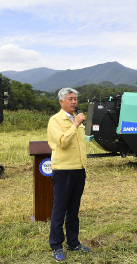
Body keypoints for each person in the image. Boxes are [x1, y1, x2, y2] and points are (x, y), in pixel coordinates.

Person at [47, 87, 90, 262]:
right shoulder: (55, 120)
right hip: (63, 170)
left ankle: (73, 243)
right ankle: (56, 246)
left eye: (75, 99)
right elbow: (63, 142)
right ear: (61, 101)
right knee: (59, 209)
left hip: (79, 169)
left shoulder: (76, 120)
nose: (74, 102)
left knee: (73, 210)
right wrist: (76, 125)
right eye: (70, 98)